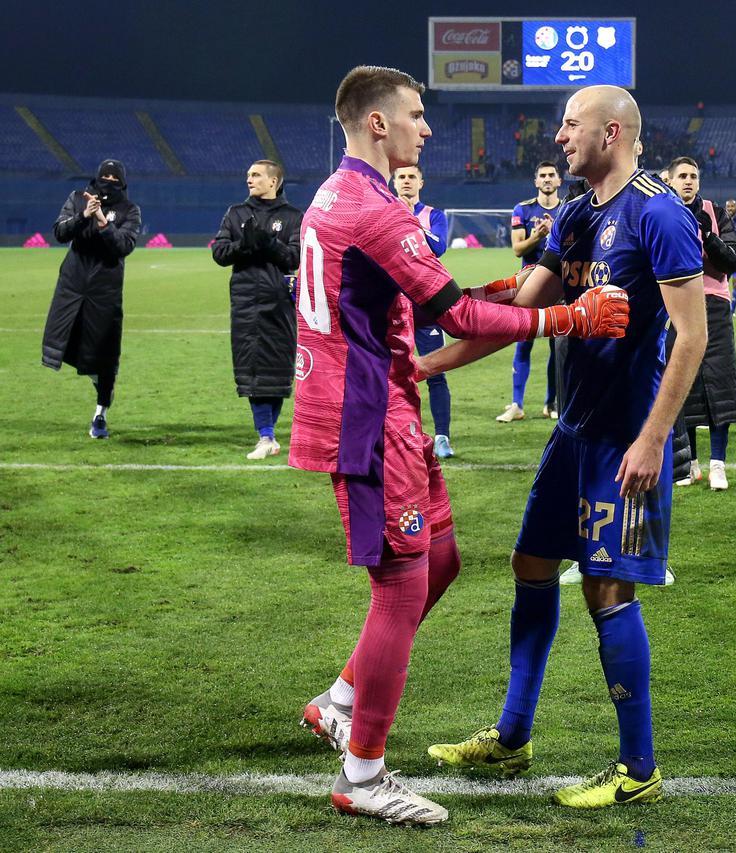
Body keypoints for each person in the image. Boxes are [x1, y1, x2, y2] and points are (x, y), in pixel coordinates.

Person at [290, 65, 629, 825]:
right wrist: (568, 317)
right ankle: (363, 774)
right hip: (366, 415)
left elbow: (436, 300)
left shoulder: (341, 193)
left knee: (439, 562)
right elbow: (459, 320)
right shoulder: (376, 209)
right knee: (400, 586)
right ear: (378, 122)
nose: (428, 127)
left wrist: (515, 288)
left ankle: (339, 701)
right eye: (416, 114)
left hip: (384, 406)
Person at [422, 84, 706, 809]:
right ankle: (512, 736)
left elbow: (692, 335)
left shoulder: (658, 212)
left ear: (611, 132)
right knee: (531, 562)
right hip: (573, 430)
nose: (558, 136)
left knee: (607, 588)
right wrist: (423, 364)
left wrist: (653, 439)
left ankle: (638, 768)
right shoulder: (577, 215)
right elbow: (519, 312)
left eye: (571, 124)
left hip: (625, 439)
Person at [42, 159, 141, 439]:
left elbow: (124, 246)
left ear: (122, 182)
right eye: (104, 176)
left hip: (105, 291)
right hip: (72, 285)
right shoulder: (77, 199)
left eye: (114, 178)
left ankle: (100, 413)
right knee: (68, 345)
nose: (109, 181)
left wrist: (102, 222)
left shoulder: (129, 210)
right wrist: (84, 214)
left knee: (104, 353)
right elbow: (60, 232)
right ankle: (101, 385)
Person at [211, 160, 303, 459]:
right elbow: (219, 253)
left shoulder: (293, 216)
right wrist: (245, 245)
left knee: (276, 368)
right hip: (245, 301)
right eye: (248, 175)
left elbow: (294, 258)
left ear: (273, 181)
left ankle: (268, 434)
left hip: (280, 302)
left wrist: (268, 242)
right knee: (252, 367)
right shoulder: (236, 213)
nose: (249, 179)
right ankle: (266, 435)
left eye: (256, 175)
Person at [667, 156, 736, 490]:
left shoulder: (715, 212)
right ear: (670, 181)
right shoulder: (660, 214)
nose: (688, 181)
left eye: (693, 176)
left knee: (719, 381)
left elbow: (733, 261)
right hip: (675, 306)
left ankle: (718, 465)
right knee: (683, 382)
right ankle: (690, 464)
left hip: (713, 304)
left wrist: (708, 234)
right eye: (682, 176)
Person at [391, 164, 455, 458]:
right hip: (392, 307)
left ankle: (442, 437)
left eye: (411, 177)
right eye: (401, 177)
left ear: (421, 183)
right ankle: (401, 435)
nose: (406, 181)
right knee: (391, 375)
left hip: (426, 306)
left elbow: (438, 247)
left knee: (435, 372)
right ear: (394, 182)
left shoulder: (434, 215)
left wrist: (408, 219)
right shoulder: (383, 212)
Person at [498, 161, 564, 423]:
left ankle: (551, 402)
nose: (547, 179)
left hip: (558, 288)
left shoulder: (567, 209)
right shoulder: (523, 209)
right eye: (542, 175)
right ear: (536, 181)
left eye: (551, 175)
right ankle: (517, 404)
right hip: (529, 288)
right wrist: (537, 236)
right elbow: (517, 249)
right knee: (523, 343)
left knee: (556, 346)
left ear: (559, 181)